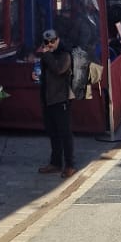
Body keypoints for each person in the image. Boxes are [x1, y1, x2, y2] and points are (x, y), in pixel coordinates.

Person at [35, 30, 76, 179]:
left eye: (52, 41)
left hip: (61, 99)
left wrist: (46, 55)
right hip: (48, 99)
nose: (49, 44)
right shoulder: (47, 56)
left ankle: (70, 165)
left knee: (65, 133)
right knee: (53, 133)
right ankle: (56, 163)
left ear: (58, 39)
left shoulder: (65, 54)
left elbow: (59, 70)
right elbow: (45, 74)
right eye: (46, 42)